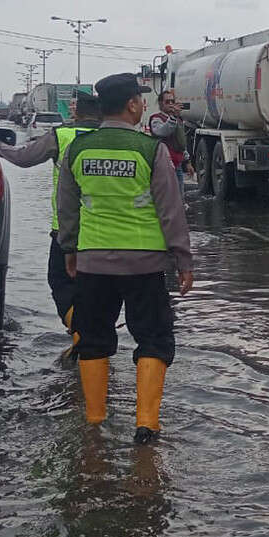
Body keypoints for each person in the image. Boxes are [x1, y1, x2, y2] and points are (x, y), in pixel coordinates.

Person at [57, 73, 194, 444]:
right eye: (140, 100)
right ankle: (147, 426)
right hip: (145, 264)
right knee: (152, 339)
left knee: (94, 338)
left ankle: (95, 421)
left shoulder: (77, 150)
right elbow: (171, 211)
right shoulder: (150, 150)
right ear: (132, 104)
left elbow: (66, 208)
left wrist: (70, 250)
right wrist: (183, 259)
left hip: (93, 262)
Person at [0, 93, 102, 357]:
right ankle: (93, 341)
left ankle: (82, 336)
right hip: (107, 232)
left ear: (77, 114)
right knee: (97, 291)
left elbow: (23, 158)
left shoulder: (62, 136)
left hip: (67, 231)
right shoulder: (115, 139)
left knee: (61, 284)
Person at [148, 89, 194, 193]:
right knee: (166, 197)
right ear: (160, 103)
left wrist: (187, 162)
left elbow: (181, 142)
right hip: (163, 166)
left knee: (179, 197)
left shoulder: (177, 119)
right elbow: (163, 131)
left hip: (177, 164)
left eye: (172, 101)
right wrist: (173, 117)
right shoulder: (156, 119)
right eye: (167, 102)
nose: (170, 104)